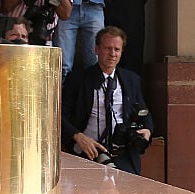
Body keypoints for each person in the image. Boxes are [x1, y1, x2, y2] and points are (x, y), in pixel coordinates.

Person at [61, 26, 153, 174]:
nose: (112, 54)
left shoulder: (132, 80)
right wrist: (78, 136)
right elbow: (60, 115)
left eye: (117, 49)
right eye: (107, 48)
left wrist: (148, 130)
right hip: (89, 152)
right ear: (96, 49)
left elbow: (145, 113)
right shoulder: (78, 79)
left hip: (123, 154)